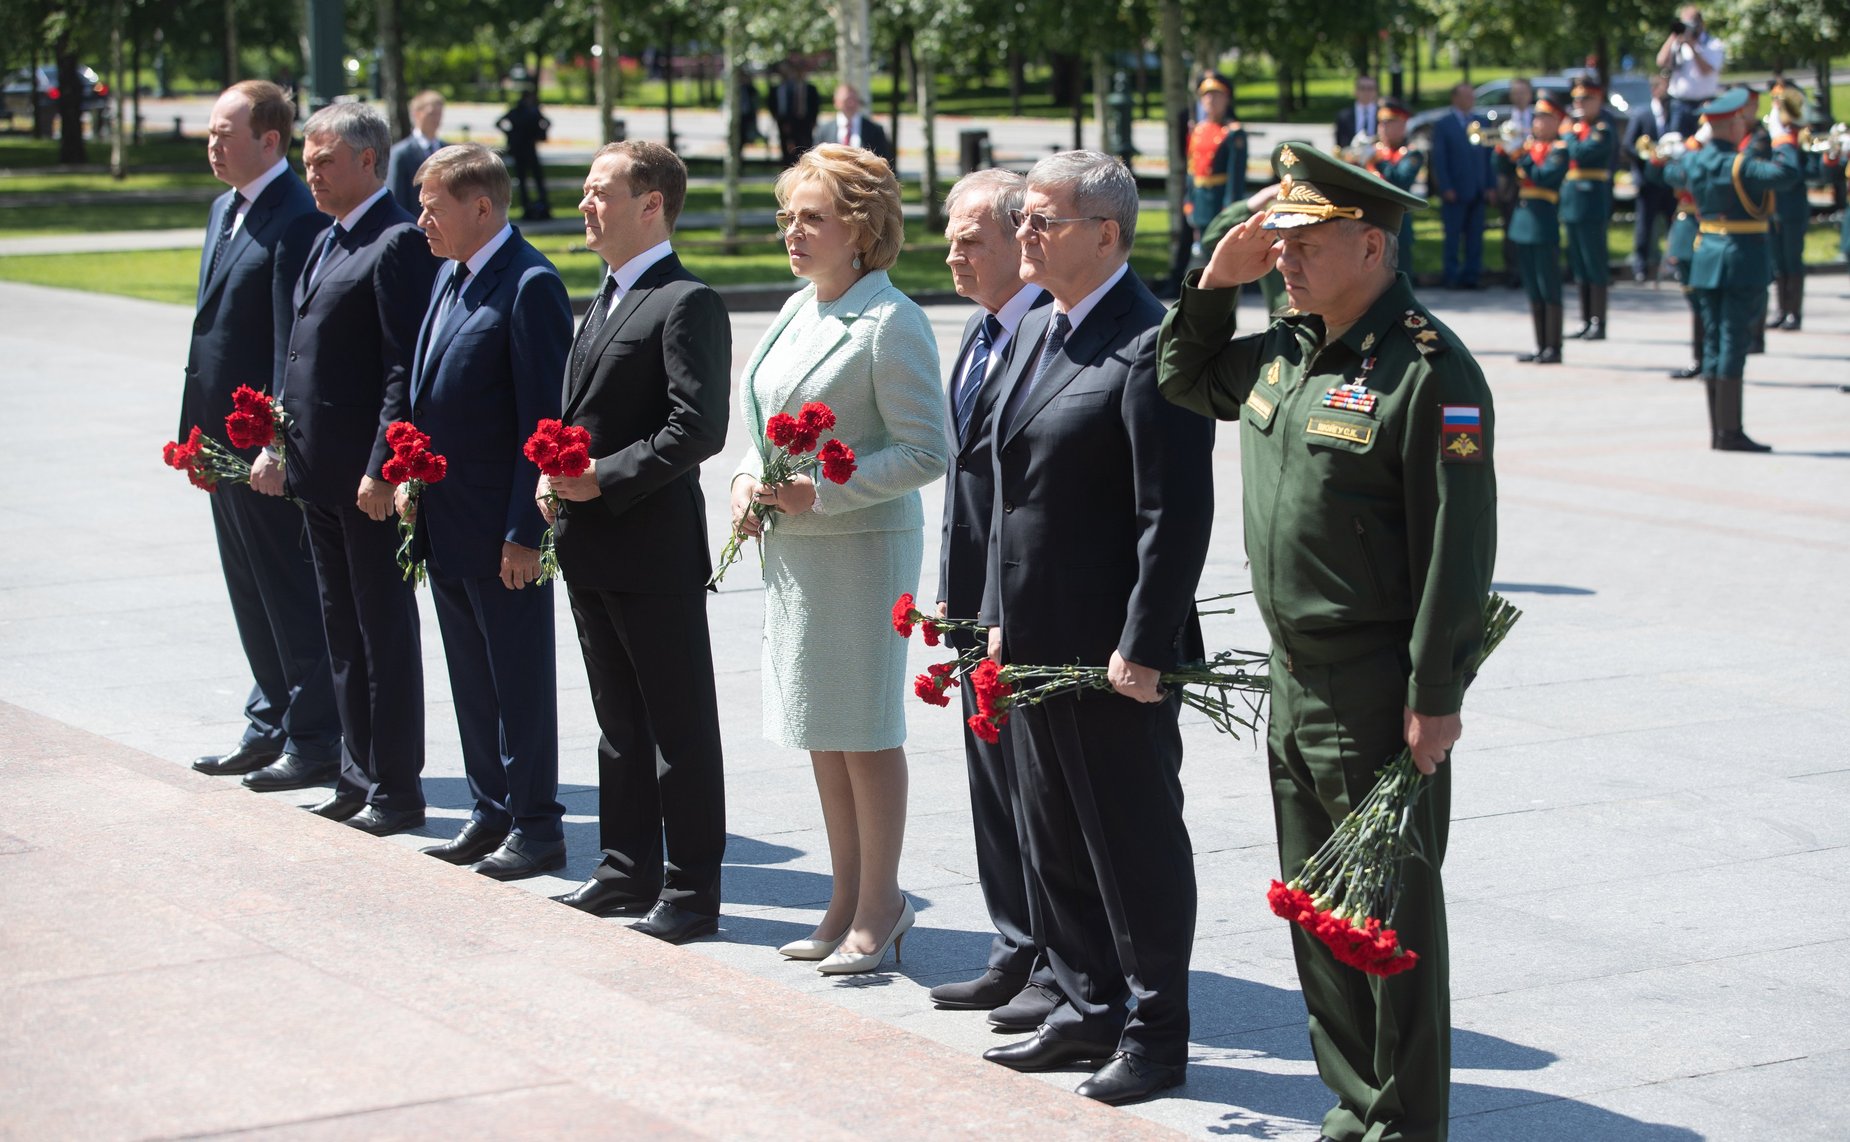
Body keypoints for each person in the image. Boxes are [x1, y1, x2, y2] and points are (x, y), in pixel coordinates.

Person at [1158, 141, 1496, 1142]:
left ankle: (1406, 1118)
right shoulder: (1287, 346)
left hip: (1372, 684)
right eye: (1281, 239)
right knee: (1318, 908)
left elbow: (1456, 544)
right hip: (1293, 679)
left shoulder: (1432, 371)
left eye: (1304, 242)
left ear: (1371, 243)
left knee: (1389, 913)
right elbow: (1180, 374)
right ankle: (1353, 1100)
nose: (1286, 258)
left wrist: (1434, 692)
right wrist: (1217, 275)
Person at [977, 151, 1215, 1107]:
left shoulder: (1152, 343)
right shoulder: (1042, 324)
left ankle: (1156, 1035)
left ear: (1107, 235)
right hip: (1034, 642)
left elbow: (1175, 514)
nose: (1023, 235)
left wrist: (1146, 645)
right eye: (1024, 219)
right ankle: (1083, 1006)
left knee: (1133, 848)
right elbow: (1007, 489)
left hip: (1113, 654)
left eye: (1043, 221)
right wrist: (996, 618)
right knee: (1054, 834)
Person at [728, 144, 948, 972]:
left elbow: (929, 451)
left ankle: (882, 904)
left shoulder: (892, 321)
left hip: (859, 551)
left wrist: (819, 490)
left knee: (863, 729)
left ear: (861, 229)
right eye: (788, 216)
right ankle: (845, 897)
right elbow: (759, 424)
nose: (793, 231)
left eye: (811, 217)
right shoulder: (797, 308)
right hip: (799, 557)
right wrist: (750, 481)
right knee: (823, 727)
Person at [544, 141, 733, 944]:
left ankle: (690, 894)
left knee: (676, 728)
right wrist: (552, 473)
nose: (586, 205)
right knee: (618, 722)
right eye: (585, 192)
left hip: (651, 551)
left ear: (650, 203)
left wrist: (604, 477)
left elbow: (699, 426)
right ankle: (625, 871)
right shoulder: (604, 296)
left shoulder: (685, 300)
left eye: (600, 192)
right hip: (588, 546)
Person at [255, 102, 439, 834]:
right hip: (317, 473)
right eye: (307, 161)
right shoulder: (329, 238)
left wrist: (384, 467)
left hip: (365, 483)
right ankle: (356, 774)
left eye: (325, 161)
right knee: (343, 630)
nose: (312, 174)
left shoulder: (396, 241)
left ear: (370, 160)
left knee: (381, 633)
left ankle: (396, 788)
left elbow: (403, 369)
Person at [398, 144, 572, 880]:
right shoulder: (449, 275)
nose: (421, 221)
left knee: (518, 680)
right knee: (472, 677)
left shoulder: (528, 283)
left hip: (504, 531)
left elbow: (543, 419)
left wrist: (525, 531)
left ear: (480, 206)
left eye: (433, 207)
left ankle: (536, 824)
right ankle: (489, 810)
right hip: (447, 521)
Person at [924, 168, 1060, 1027]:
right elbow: (968, 484)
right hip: (977, 600)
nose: (954, 252)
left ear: (1022, 238)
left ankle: (1061, 958)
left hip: (1031, 606)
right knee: (991, 782)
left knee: (1040, 790)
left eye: (971, 238)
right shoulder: (979, 333)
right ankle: (1015, 947)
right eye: (951, 236)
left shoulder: (1048, 333)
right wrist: (951, 595)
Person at [181, 80, 340, 789]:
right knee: (248, 586)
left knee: (287, 588)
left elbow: (289, 343)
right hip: (219, 443)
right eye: (211, 132)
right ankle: (269, 719)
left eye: (224, 132)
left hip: (263, 447)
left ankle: (312, 740)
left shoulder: (294, 215)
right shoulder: (226, 209)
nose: (212, 144)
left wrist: (276, 440)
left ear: (269, 140)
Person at [1661, 88, 1802, 450]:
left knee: (1712, 343)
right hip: (1741, 260)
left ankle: (1719, 431)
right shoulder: (1740, 164)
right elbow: (1787, 173)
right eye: (1741, 119)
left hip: (1706, 258)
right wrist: (1784, 136)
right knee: (1731, 344)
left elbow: (1670, 172)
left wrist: (1696, 140)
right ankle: (1731, 432)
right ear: (1733, 123)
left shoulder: (1696, 161)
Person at [1499, 91, 1570, 363]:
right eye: (1537, 116)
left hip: (1543, 222)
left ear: (1557, 121)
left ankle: (1554, 346)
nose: (1538, 122)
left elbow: (1543, 177)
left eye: (1544, 117)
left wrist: (1521, 155)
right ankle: (1540, 344)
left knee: (1548, 285)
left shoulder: (1559, 151)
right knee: (1532, 287)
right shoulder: (1528, 147)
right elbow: (1503, 170)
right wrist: (1504, 152)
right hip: (1522, 221)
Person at [1563, 78, 1616, 339]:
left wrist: (1568, 135)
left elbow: (1582, 153)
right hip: (1572, 202)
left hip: (1592, 202)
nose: (1580, 105)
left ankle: (1599, 321)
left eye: (1586, 99)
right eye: (1577, 100)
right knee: (1579, 264)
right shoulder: (1578, 127)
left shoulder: (1602, 128)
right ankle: (1585, 319)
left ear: (1598, 100)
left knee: (1594, 263)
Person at [1429, 81, 1493, 288]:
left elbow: (1489, 158)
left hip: (1478, 189)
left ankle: (1472, 275)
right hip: (1455, 191)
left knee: (1475, 237)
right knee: (1453, 236)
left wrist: (1490, 185)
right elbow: (1439, 159)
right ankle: (1452, 276)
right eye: (1465, 96)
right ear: (1455, 98)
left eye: (1472, 96)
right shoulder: (1444, 124)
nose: (1470, 100)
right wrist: (1445, 187)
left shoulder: (1481, 122)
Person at [1764, 80, 1809, 330]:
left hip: (1792, 205)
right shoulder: (1770, 134)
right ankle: (1781, 310)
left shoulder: (1799, 136)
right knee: (1777, 260)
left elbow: (1811, 171)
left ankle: (1795, 312)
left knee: (1792, 258)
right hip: (1773, 206)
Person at [1625, 74, 1677, 282]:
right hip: (1648, 180)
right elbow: (1628, 145)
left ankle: (1674, 263)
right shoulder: (1642, 114)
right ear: (1655, 90)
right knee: (1644, 226)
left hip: (1670, 180)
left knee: (1674, 224)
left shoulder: (1677, 114)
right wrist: (1647, 156)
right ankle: (1641, 266)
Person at [1185, 76, 1247, 251]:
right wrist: (1189, 201)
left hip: (1219, 203)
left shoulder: (1233, 133)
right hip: (1200, 202)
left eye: (1217, 95)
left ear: (1226, 99)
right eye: (1206, 95)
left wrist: (1230, 210)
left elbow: (1236, 177)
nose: (1211, 100)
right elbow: (1191, 170)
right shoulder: (1198, 130)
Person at [1364, 99, 1422, 274]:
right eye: (1380, 122)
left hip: (1398, 223)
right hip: (1370, 220)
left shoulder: (1411, 153)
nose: (1382, 127)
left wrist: (1376, 161)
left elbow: (1400, 181)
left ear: (1403, 124)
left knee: (1400, 273)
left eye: (1388, 122)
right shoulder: (1375, 149)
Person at [1657, 7, 1725, 133]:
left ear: (1701, 24)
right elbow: (1661, 61)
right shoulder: (1677, 43)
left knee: (1703, 141)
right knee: (1677, 143)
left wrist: (1692, 46)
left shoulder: (1712, 44)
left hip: (1705, 103)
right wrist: (1674, 36)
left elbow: (1706, 70)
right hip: (1680, 104)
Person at [1496, 78, 1536, 284]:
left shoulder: (1538, 118)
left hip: (1534, 179)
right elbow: (1495, 158)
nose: (1520, 96)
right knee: (1510, 228)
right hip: (1510, 181)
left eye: (1523, 92)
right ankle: (1513, 272)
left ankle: (1532, 270)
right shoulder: (1503, 119)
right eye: (1516, 92)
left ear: (1530, 95)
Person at [386, 90, 444, 213]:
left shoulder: (447, 150)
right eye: (432, 114)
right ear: (417, 114)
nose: (437, 119)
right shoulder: (401, 153)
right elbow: (397, 197)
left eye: (439, 114)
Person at [496, 91, 551, 221]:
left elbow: (499, 123)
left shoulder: (515, 112)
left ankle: (527, 205)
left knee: (523, 181)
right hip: (529, 149)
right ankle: (542, 204)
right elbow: (547, 122)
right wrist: (539, 134)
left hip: (518, 150)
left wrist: (510, 133)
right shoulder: (533, 112)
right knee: (537, 179)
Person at [813, 84, 895, 168]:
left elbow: (885, 163)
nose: (851, 104)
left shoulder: (875, 130)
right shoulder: (823, 132)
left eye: (854, 100)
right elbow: (816, 163)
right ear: (836, 102)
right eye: (847, 100)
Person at [772, 62, 822, 166]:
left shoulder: (811, 88)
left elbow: (815, 106)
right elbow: (789, 107)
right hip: (793, 122)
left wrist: (814, 121)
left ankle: (807, 165)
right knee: (791, 146)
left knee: (807, 145)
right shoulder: (791, 88)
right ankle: (790, 166)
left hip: (806, 121)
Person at [1335, 75, 1380, 151]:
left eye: (1370, 88)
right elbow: (1340, 146)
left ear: (1376, 92)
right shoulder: (1344, 117)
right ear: (1355, 91)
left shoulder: (1383, 114)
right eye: (1362, 88)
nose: (1366, 92)